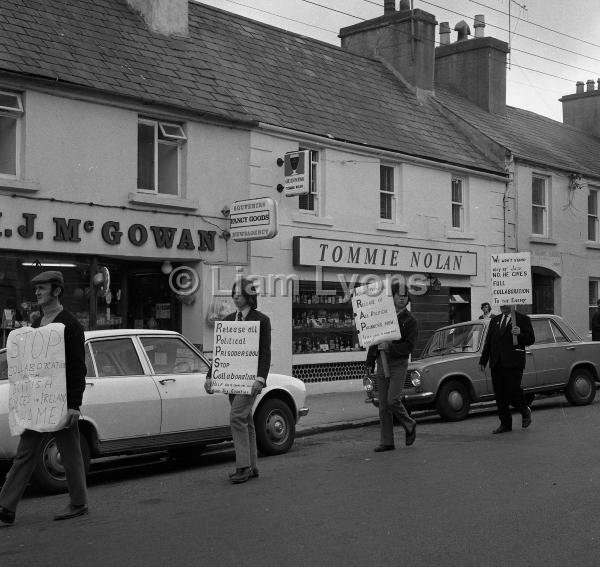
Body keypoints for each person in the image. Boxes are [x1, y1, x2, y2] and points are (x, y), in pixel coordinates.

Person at [0, 271, 88, 526]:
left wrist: (74, 405)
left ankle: (79, 503)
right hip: (37, 401)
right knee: (25, 452)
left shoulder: (70, 324)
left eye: (42, 288)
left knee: (70, 453)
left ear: (57, 290)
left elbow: (76, 368)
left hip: (60, 401)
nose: (37, 292)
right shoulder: (38, 321)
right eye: (36, 288)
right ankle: (6, 507)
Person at [204, 279, 271, 484]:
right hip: (232, 380)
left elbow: (265, 353)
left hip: (250, 381)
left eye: (239, 294)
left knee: (236, 418)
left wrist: (260, 379)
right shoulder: (228, 319)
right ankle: (252, 466)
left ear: (249, 296)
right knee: (246, 421)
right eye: (233, 293)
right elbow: (221, 351)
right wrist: (210, 376)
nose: (235, 297)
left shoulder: (262, 320)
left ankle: (242, 467)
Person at [366, 283, 418, 451]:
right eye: (398, 295)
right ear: (393, 297)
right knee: (383, 406)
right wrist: (369, 362)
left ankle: (409, 423)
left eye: (404, 296)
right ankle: (387, 441)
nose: (402, 298)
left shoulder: (410, 321)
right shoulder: (383, 316)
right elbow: (375, 340)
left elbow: (409, 347)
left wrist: (391, 348)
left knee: (392, 400)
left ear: (407, 299)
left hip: (398, 364)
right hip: (381, 363)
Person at [479, 305, 535, 434]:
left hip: (514, 361)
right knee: (500, 394)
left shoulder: (522, 319)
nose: (503, 307)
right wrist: (483, 360)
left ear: (512, 304)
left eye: (506, 304)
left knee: (513, 390)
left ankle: (524, 410)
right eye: (502, 305)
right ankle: (505, 423)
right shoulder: (494, 320)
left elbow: (531, 339)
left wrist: (519, 333)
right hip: (497, 362)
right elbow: (489, 342)